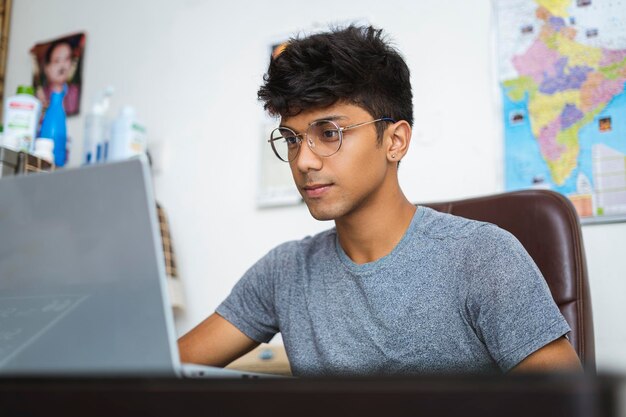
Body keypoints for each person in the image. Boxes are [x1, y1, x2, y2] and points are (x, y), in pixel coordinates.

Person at [178, 25, 582, 376]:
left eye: (329, 133)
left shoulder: (482, 257)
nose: (303, 160)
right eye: (292, 138)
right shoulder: (284, 272)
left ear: (395, 140)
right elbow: (165, 367)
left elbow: (569, 404)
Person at [36, 40, 80, 115]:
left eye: (67, 59)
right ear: (47, 68)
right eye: (57, 61)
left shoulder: (77, 94)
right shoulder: (38, 97)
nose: (62, 66)